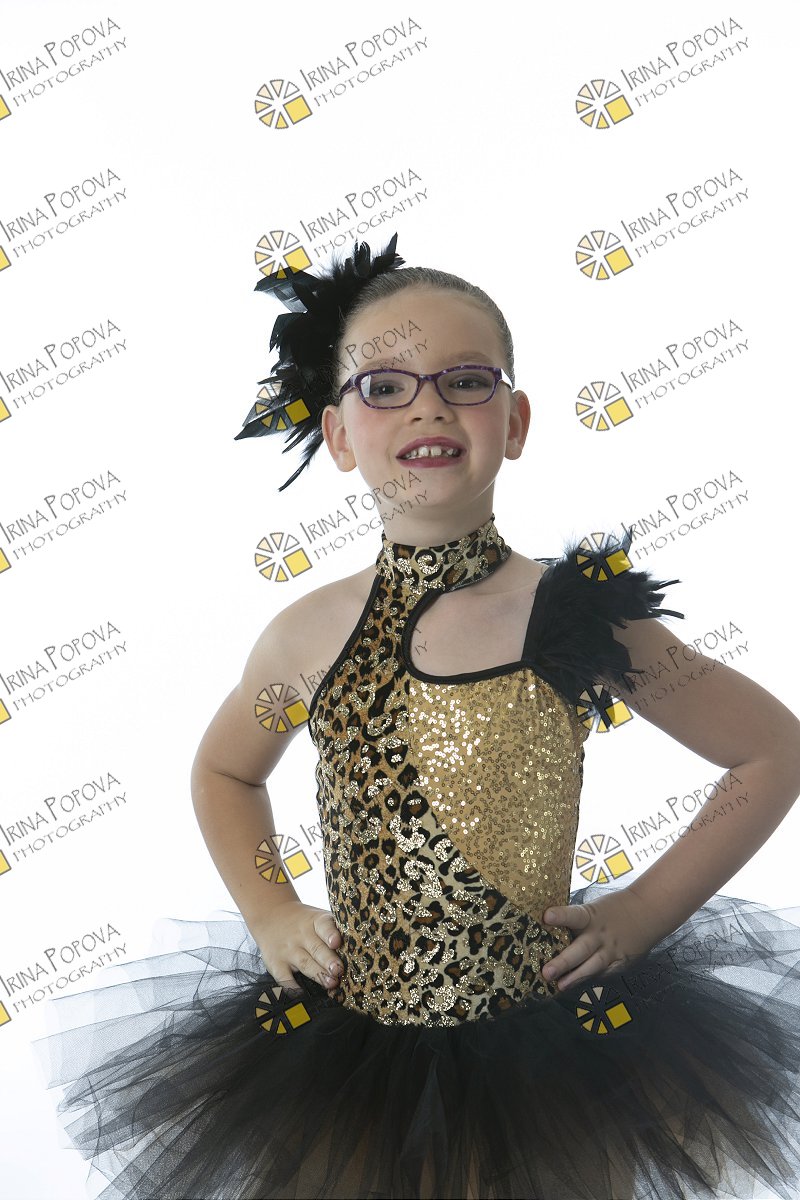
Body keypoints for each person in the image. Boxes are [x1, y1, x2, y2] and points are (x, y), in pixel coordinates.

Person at [33, 234, 800, 1200]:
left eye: (465, 382)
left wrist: (641, 912)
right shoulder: (304, 637)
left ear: (515, 422)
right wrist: (271, 911)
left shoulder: (579, 616)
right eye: (385, 386)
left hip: (544, 1059)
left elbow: (771, 751)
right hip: (352, 1058)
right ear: (338, 434)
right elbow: (225, 772)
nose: (428, 407)